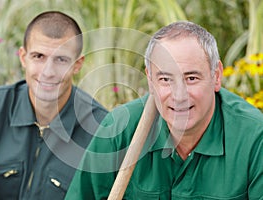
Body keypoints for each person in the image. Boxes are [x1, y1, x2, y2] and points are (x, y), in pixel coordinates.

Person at [65, 21, 263, 199]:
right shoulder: (119, 129)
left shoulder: (254, 137)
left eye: (191, 78)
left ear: (216, 76)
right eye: (165, 79)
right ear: (150, 80)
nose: (179, 95)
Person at [0, 11, 108, 199]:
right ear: (23, 57)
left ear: (77, 64)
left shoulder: (100, 129)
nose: (48, 72)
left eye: (61, 59)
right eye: (38, 56)